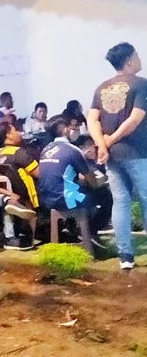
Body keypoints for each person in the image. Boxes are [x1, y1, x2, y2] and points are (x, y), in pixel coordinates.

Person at [87, 42, 147, 269]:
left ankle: (126, 257)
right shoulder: (141, 84)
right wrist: (109, 141)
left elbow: (92, 119)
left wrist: (102, 144)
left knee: (120, 202)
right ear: (130, 60)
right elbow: (135, 119)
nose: (140, 58)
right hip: (137, 152)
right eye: (137, 55)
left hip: (112, 156)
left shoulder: (101, 88)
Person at [38, 118, 112, 246]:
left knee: (80, 189)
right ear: (65, 129)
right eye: (74, 126)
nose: (77, 129)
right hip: (65, 199)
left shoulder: (45, 150)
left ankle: (73, 228)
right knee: (106, 195)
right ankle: (90, 231)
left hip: (46, 200)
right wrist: (104, 179)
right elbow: (92, 182)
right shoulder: (73, 150)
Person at [0, 122, 41, 248]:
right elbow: (40, 173)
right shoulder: (19, 153)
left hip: (12, 193)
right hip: (26, 194)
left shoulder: (0, 154)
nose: (19, 133)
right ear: (8, 135)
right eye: (16, 130)